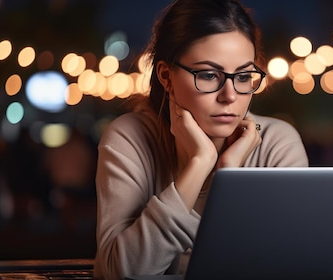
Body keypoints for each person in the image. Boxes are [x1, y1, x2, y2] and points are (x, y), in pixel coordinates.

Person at [93, 0, 309, 278]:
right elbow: (119, 273)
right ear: (166, 77)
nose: (230, 96)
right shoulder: (130, 138)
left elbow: (285, 266)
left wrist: (229, 180)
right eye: (209, 75)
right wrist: (200, 163)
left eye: (243, 76)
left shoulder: (277, 143)